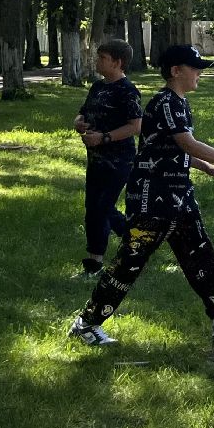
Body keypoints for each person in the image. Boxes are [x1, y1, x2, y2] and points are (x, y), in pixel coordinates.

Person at [67, 43, 214, 347]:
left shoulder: (178, 102)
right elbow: (187, 143)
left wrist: (209, 168)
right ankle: (87, 324)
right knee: (129, 262)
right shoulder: (165, 102)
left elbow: (175, 147)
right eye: (195, 68)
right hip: (153, 199)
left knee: (200, 255)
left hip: (178, 196)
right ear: (176, 71)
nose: (200, 73)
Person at [72, 39, 144, 278]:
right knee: (94, 207)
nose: (97, 61)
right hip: (95, 160)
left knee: (99, 208)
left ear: (118, 62)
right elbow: (84, 111)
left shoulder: (127, 91)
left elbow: (135, 126)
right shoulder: (97, 87)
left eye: (102, 58)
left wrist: (103, 138)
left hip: (118, 161)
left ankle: (95, 262)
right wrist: (78, 122)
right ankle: (134, 239)